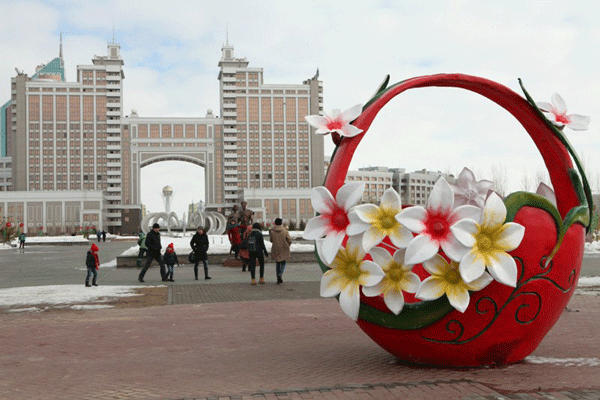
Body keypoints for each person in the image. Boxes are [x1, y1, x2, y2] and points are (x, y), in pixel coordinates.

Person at [269, 218, 292, 284]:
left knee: (277, 262)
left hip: (276, 248)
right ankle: (280, 274)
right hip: (284, 248)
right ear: (281, 223)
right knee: (284, 261)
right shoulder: (285, 231)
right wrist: (287, 245)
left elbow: (271, 240)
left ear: (275, 223)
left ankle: (278, 276)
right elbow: (289, 240)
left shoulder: (272, 231)